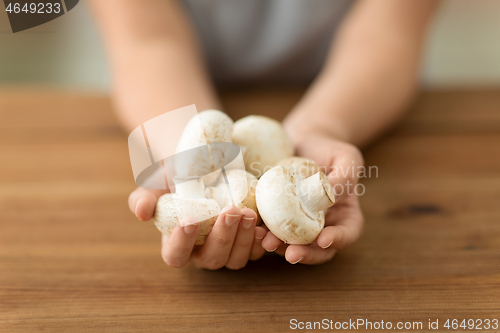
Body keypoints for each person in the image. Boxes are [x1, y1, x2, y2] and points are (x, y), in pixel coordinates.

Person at [89, 0, 438, 269]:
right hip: (176, 89)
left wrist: (321, 129)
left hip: (346, 93)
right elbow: (147, 41)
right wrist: (185, 149)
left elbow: (389, 34)